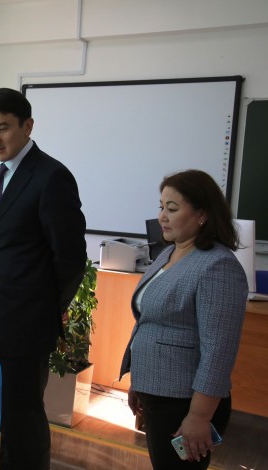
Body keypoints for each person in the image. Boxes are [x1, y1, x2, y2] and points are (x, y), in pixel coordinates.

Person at [0, 88, 87, 470]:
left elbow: (71, 258)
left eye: (3, 128)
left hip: (26, 323)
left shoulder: (52, 177)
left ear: (27, 126)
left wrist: (47, 309)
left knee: (22, 417)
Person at [120, 169, 248, 470]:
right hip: (157, 394)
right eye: (161, 207)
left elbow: (218, 352)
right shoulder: (168, 254)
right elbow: (149, 322)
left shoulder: (218, 266)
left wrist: (199, 416)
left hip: (185, 403)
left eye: (173, 209)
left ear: (202, 214)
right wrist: (138, 381)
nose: (162, 216)